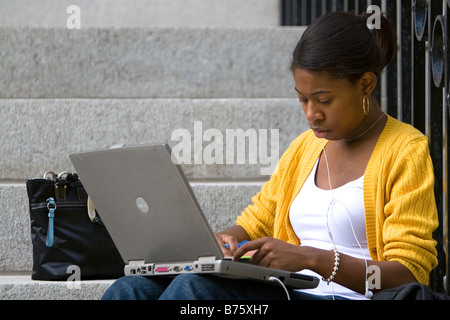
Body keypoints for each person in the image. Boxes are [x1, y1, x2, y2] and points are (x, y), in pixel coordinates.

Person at [102, 11, 438, 300]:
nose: (311, 114)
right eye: (303, 99)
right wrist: (229, 240)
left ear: (365, 84)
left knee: (195, 291)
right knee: (131, 289)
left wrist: (311, 259)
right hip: (288, 291)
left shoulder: (405, 150)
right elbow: (255, 221)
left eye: (323, 100)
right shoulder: (304, 149)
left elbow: (408, 274)